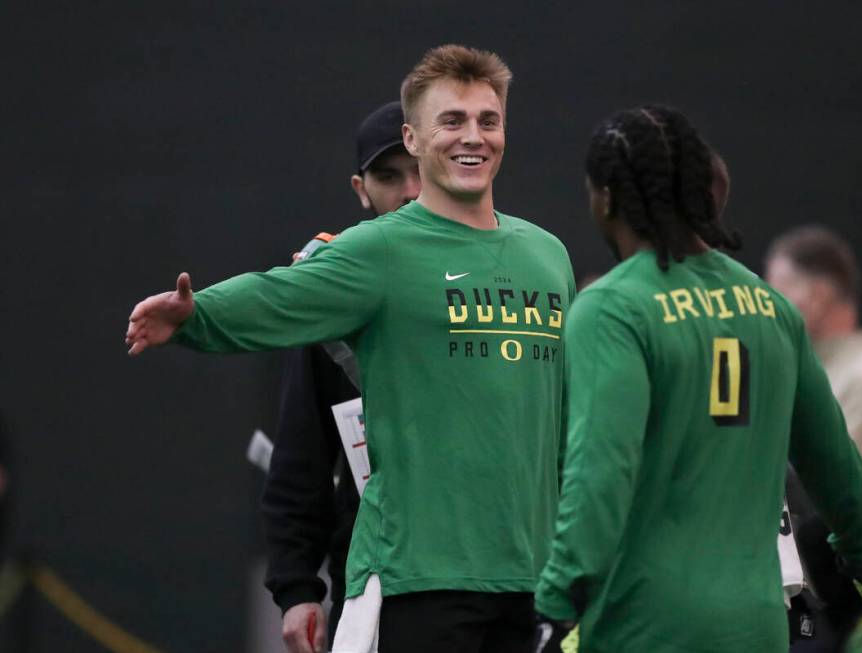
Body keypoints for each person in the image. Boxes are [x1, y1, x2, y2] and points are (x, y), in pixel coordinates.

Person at [126, 44, 575, 653]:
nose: (473, 137)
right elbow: (278, 295)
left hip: (531, 582)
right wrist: (197, 314)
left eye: (487, 120)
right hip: (417, 581)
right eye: (452, 121)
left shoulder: (548, 257)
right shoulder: (379, 249)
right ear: (414, 138)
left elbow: (567, 423)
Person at [533, 105, 862, 652]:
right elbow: (839, 471)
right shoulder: (772, 309)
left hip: (647, 628)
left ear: (605, 198)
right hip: (759, 627)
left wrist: (552, 607)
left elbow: (598, 479)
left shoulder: (611, 308)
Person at [263, 101, 420, 653]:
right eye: (388, 175)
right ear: (361, 188)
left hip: (492, 576)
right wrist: (296, 588)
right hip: (373, 583)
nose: (409, 190)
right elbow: (300, 460)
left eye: (421, 169)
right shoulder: (331, 297)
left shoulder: (500, 280)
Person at [766, 226, 862, 502]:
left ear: (818, 297)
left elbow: (832, 501)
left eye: (778, 289)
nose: (766, 305)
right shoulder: (813, 375)